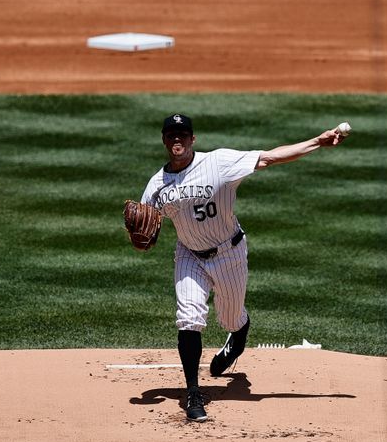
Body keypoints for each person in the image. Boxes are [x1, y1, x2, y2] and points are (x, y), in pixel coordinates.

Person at [138, 113, 346, 422]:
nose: (177, 139)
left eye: (183, 134)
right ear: (164, 140)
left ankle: (240, 330)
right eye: (171, 134)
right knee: (189, 317)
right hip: (189, 255)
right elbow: (145, 228)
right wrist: (140, 236)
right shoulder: (156, 184)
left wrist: (317, 141)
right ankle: (194, 393)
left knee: (230, 317)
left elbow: (269, 158)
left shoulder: (219, 162)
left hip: (228, 254)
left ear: (193, 139)